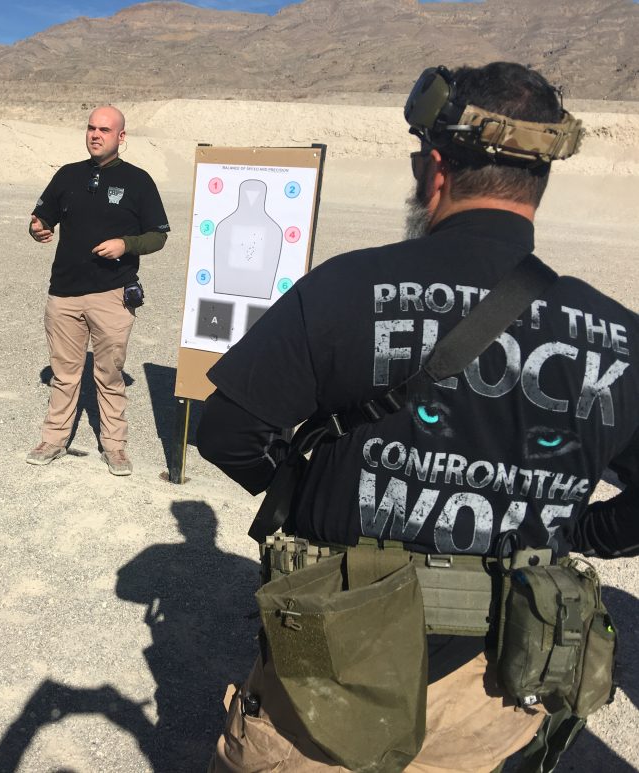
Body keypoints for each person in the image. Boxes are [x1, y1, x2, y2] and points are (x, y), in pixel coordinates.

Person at [198, 62, 635, 771]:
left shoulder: (347, 285)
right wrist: (579, 530)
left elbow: (228, 431)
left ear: (435, 169)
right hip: (496, 685)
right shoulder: (619, 335)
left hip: (332, 666)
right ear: (539, 182)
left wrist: (309, 492)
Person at [27, 106, 170, 476]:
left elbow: (158, 236)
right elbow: (42, 218)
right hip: (64, 293)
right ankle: (54, 440)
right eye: (91, 128)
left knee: (109, 375)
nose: (95, 134)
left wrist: (126, 244)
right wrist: (38, 228)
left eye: (104, 130)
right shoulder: (67, 175)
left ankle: (114, 446)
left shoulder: (138, 181)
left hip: (112, 294)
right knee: (64, 373)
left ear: (121, 137)